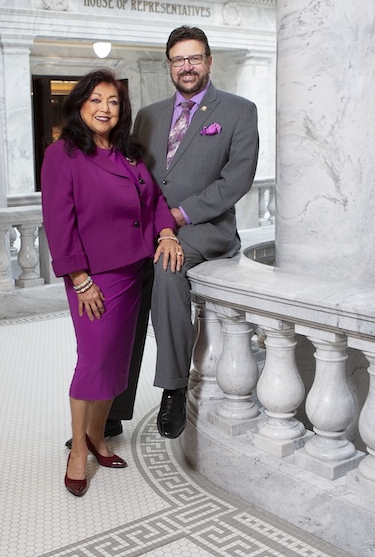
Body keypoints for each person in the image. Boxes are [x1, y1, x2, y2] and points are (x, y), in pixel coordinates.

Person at [40, 69, 183, 497]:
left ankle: (99, 436)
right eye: (96, 100)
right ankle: (78, 452)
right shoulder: (62, 154)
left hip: (134, 271)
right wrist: (80, 279)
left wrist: (167, 232)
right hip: (94, 277)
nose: (105, 108)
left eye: (114, 102)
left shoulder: (129, 153)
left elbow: (155, 201)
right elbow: (58, 221)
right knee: (93, 361)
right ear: (80, 105)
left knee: (116, 364)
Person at [129, 25, 259, 439]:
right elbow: (134, 178)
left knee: (167, 269)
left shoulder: (239, 110)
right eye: (178, 59)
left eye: (194, 58)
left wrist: (179, 216)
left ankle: (173, 386)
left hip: (207, 228)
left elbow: (235, 180)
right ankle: (112, 405)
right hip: (152, 226)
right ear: (169, 65)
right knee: (119, 283)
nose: (186, 67)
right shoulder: (148, 116)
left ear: (208, 61)